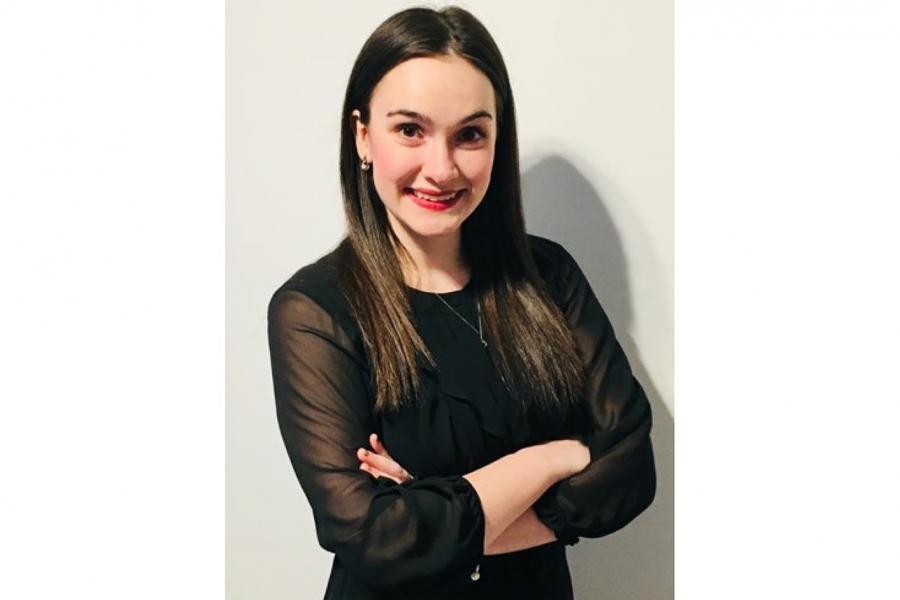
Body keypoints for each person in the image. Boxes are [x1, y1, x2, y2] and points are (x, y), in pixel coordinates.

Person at [267, 6, 656, 600]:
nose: (442, 168)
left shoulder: (548, 276)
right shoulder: (314, 312)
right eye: (410, 130)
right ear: (363, 136)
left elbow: (631, 471)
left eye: (470, 134)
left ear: (498, 139)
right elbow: (374, 540)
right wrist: (552, 459)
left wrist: (429, 510)